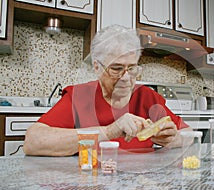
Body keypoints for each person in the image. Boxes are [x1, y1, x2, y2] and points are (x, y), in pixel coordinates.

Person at [23, 25, 192, 156]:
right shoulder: (79, 96)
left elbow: (189, 134)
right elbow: (33, 142)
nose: (126, 78)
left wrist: (173, 138)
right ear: (97, 67)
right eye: (117, 69)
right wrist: (109, 131)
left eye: (132, 68)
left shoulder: (147, 97)